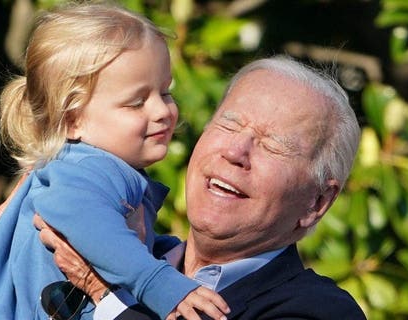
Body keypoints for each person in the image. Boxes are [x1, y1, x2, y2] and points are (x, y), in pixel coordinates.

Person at [0, 3, 229, 320]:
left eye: (165, 92)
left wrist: (165, 250)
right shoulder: (84, 170)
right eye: (137, 102)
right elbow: (92, 230)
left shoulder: (97, 165)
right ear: (72, 120)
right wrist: (158, 282)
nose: (162, 111)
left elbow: (113, 238)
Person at [35, 55, 368, 319]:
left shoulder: (320, 310)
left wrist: (105, 293)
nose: (235, 152)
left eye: (273, 146)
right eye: (229, 124)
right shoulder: (125, 243)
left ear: (317, 202)